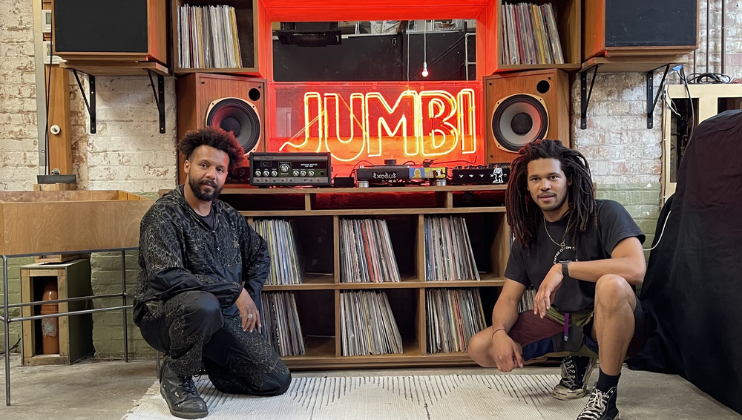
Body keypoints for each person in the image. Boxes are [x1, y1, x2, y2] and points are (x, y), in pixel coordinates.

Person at [468, 139, 647, 420]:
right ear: (526, 186)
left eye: (553, 177)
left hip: (607, 321)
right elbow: (508, 298)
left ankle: (605, 394)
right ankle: (576, 358)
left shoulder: (605, 212)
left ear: (570, 179)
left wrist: (564, 269)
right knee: (481, 347)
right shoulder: (528, 235)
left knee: (611, 285)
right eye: (535, 179)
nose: (545, 186)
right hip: (559, 321)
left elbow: (635, 268)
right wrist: (500, 332)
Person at [133, 127, 291, 419]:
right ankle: (177, 376)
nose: (212, 175)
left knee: (275, 380)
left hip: (219, 319)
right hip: (163, 316)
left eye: (220, 169)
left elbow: (260, 253)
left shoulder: (229, 216)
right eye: (204, 165)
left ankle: (208, 359)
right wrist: (234, 291)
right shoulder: (163, 215)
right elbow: (165, 277)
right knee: (203, 304)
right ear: (187, 166)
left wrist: (250, 296)